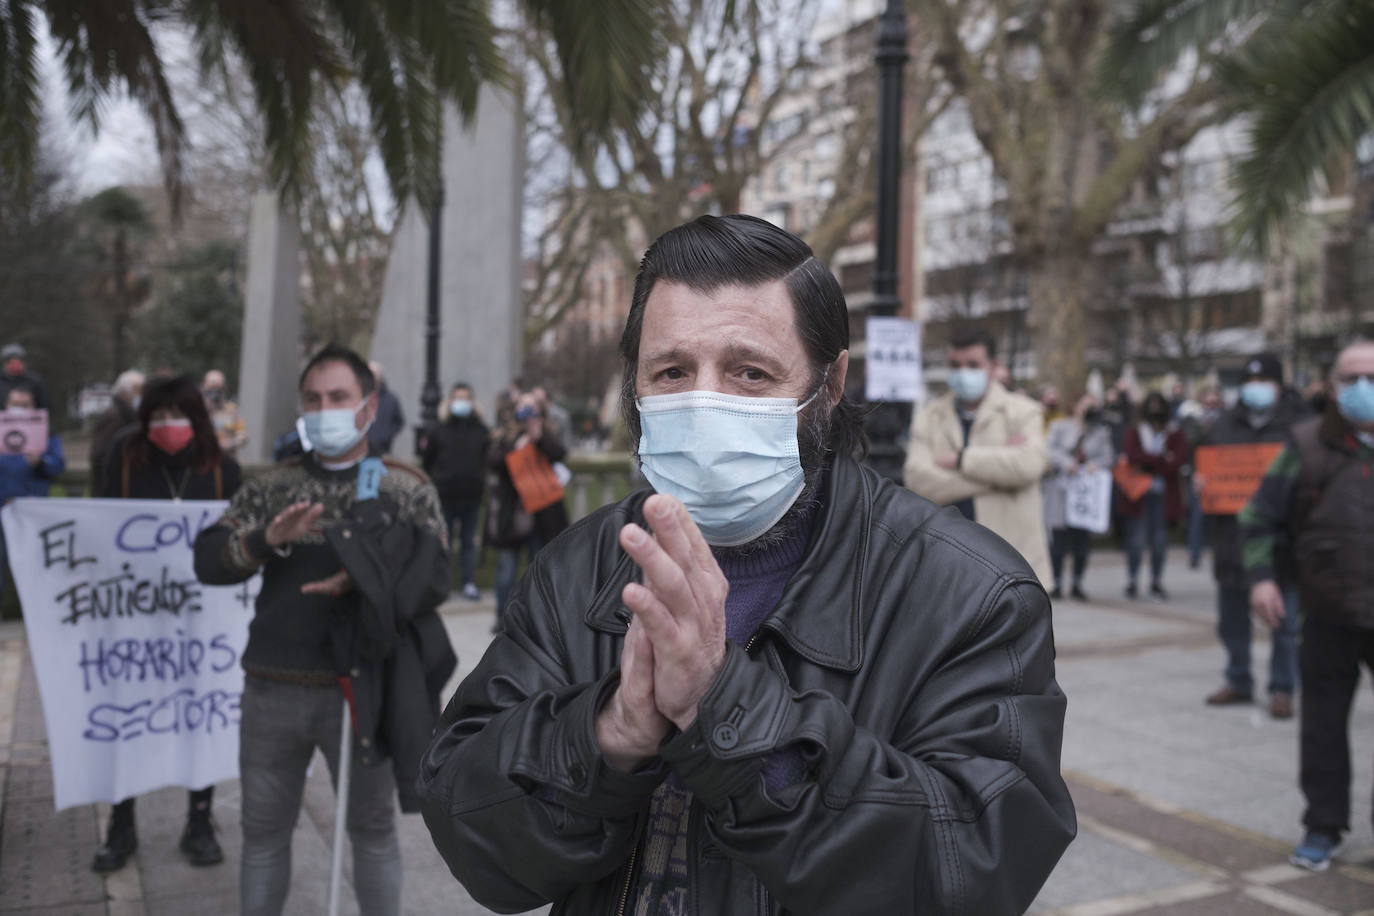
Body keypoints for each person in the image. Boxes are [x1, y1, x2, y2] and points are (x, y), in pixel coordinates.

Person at [417, 215, 1075, 914]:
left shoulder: (973, 594)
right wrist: (611, 733)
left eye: (750, 372)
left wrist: (723, 705)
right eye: (672, 372)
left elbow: (972, 867)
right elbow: (469, 823)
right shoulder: (578, 568)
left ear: (830, 383)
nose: (706, 405)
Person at [193, 344, 454, 916]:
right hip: (272, 687)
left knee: (373, 830)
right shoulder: (272, 485)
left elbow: (436, 578)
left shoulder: (405, 487)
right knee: (262, 834)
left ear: (368, 406)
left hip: (361, 692)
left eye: (338, 397)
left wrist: (366, 579)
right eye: (313, 399)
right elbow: (208, 560)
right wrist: (267, 540)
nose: (324, 409)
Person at [90, 375, 241, 872]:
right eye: (157, 416)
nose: (167, 425)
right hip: (136, 622)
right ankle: (122, 823)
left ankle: (199, 820)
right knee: (128, 719)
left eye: (177, 414)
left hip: (202, 627)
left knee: (199, 715)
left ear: (195, 418)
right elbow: (98, 528)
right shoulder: (124, 460)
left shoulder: (222, 470)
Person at [1240, 340, 1374, 872]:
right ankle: (1323, 826)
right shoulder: (1305, 446)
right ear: (1333, 386)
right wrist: (1261, 579)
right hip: (1328, 613)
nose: (1363, 388)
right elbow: (1258, 518)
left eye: (1372, 375)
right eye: (1351, 378)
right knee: (1321, 727)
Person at [1199, 355, 1309, 718]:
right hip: (1231, 537)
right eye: (1251, 380)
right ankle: (1238, 677)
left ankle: (1282, 687)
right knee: (1231, 616)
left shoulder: (1301, 425)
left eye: (1264, 380)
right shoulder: (1223, 424)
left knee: (1285, 619)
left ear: (1279, 385)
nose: (1256, 387)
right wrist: (1201, 486)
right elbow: (1205, 467)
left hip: (1283, 540)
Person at [904, 326, 1052, 584]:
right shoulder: (929, 417)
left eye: (973, 365)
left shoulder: (1024, 412)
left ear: (993, 366)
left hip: (1013, 566)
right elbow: (917, 480)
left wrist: (961, 460)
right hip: (946, 566)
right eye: (955, 365)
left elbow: (1028, 466)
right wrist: (999, 476)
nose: (963, 373)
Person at [486, 390, 569, 627]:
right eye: (522, 408)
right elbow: (492, 461)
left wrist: (539, 437)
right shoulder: (505, 436)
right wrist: (517, 447)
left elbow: (560, 454)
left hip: (542, 513)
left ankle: (537, 617)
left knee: (539, 567)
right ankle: (502, 616)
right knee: (506, 568)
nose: (526, 413)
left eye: (532, 408)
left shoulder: (546, 433)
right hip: (512, 513)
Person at [421, 382, 490, 601]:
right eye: (457, 397)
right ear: (450, 401)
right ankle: (444, 584)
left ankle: (468, 582)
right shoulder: (438, 429)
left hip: (471, 494)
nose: (461, 402)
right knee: (444, 542)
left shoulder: (481, 431)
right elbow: (428, 460)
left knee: (468, 542)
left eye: (466, 398)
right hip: (445, 494)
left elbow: (485, 459)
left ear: (472, 402)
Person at [1119, 390, 1188, 600]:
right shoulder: (1135, 430)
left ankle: (1156, 581)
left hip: (1163, 495)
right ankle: (1132, 580)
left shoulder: (1174, 432)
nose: (1155, 409)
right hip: (1139, 495)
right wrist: (1161, 459)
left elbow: (1177, 461)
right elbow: (1133, 455)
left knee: (1159, 541)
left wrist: (1148, 463)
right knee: (1137, 541)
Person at [1044, 394, 1114, 600]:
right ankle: (1055, 582)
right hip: (1061, 492)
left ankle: (1077, 582)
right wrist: (1068, 463)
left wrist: (1096, 465)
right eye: (1086, 405)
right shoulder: (1060, 427)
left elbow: (1108, 457)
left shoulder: (1101, 432)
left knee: (1082, 543)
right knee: (1058, 542)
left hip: (1085, 496)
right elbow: (1050, 451)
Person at [0, 384, 64, 598]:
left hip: (31, 511)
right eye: (15, 404)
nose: (19, 409)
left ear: (34, 407)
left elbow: (57, 465)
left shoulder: (46, 433)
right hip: (2, 507)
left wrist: (40, 462)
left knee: (33, 564)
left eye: (24, 405)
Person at [89, 369, 144, 496]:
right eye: (138, 390)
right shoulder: (115, 416)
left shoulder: (126, 415)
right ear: (124, 391)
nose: (141, 394)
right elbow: (99, 455)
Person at [201, 369, 248, 458]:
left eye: (218, 388)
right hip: (203, 461)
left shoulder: (231, 411)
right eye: (211, 388)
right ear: (204, 387)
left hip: (226, 459)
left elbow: (243, 436)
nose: (214, 392)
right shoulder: (197, 410)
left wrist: (229, 444)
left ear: (224, 388)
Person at [366, 360, 406, 454]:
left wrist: (386, 435)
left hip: (383, 450)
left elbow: (399, 421)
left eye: (374, 374)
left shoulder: (391, 399)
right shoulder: (360, 397)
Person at [0, 343, 50, 410]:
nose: (14, 365)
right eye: (10, 362)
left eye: (18, 361)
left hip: (32, 419)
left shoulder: (35, 381)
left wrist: (29, 402)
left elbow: (45, 405)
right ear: (5, 363)